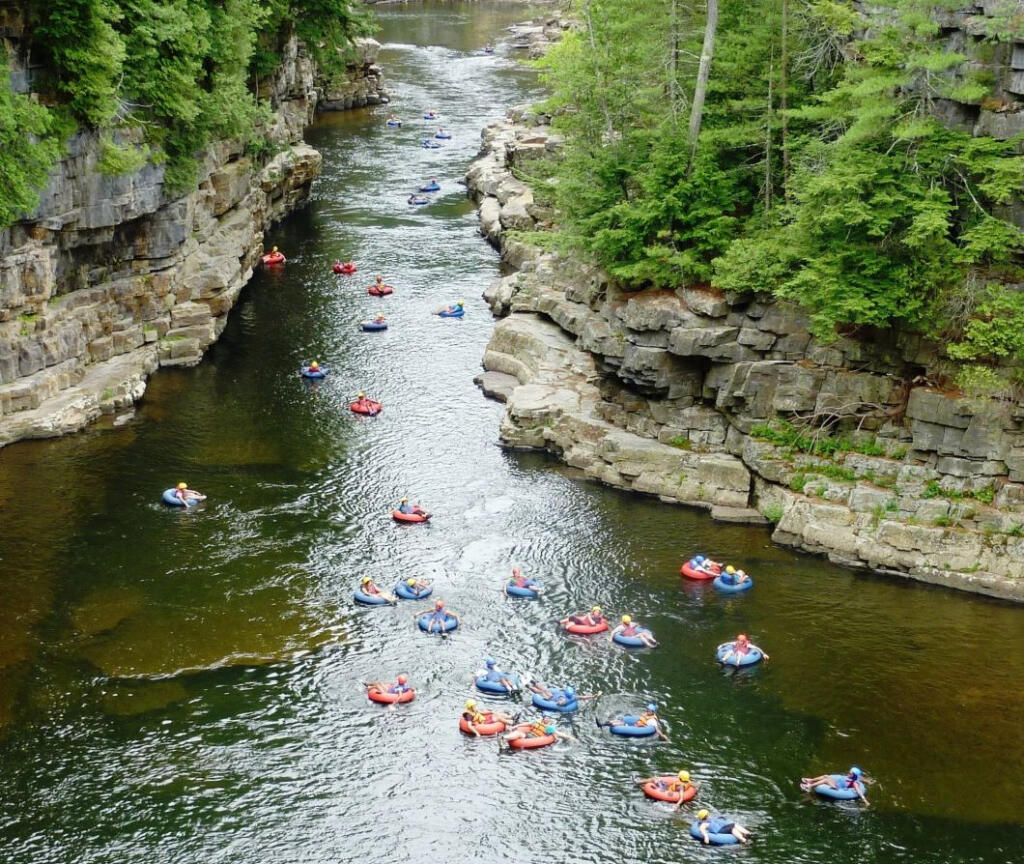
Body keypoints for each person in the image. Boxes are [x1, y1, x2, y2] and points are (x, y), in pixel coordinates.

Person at [801, 767, 869, 805]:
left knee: (826, 780)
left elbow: (859, 792)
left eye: (850, 773)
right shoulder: (851, 777)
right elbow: (861, 778)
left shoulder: (855, 783)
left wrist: (865, 801)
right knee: (826, 776)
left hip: (837, 788)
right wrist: (868, 781)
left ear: (854, 775)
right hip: (837, 785)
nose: (849, 774)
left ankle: (809, 786)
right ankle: (811, 780)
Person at [601, 702, 670, 741]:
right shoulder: (647, 715)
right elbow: (640, 719)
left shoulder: (652, 720)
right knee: (622, 720)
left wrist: (662, 735)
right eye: (647, 709)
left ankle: (607, 724)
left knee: (620, 725)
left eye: (649, 710)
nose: (647, 711)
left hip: (638, 728)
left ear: (653, 712)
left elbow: (656, 729)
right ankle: (604, 724)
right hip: (636, 724)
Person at [502, 715, 576, 747]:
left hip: (535, 738)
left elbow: (559, 734)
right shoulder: (536, 722)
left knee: (519, 734)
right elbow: (525, 724)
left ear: (550, 720)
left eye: (548, 718)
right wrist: (515, 726)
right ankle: (505, 738)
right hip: (528, 735)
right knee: (519, 733)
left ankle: (505, 738)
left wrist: (571, 738)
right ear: (543, 719)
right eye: (546, 718)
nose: (547, 719)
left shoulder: (549, 728)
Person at [525, 682, 600, 705]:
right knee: (544, 690)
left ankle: (529, 686)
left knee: (542, 692)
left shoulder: (565, 700)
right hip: (554, 695)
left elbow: (560, 703)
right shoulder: (574, 697)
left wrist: (559, 702)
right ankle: (534, 683)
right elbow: (584, 697)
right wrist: (594, 696)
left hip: (551, 698)